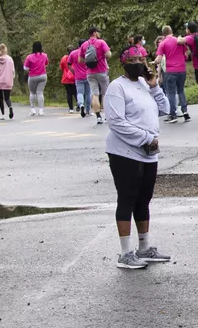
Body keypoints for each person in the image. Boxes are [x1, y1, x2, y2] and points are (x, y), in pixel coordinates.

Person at [104, 50, 172, 269]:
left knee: (144, 199)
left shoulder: (145, 84)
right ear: (123, 64)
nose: (136, 63)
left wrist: (154, 86)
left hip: (149, 153)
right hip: (125, 152)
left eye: (140, 60)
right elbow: (116, 121)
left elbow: (165, 109)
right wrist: (145, 138)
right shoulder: (117, 87)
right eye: (131, 60)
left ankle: (144, 248)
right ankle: (125, 253)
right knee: (127, 198)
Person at [154, 25, 191, 123]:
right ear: (171, 31)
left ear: (163, 34)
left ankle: (173, 115)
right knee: (181, 91)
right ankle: (185, 112)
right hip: (182, 69)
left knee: (171, 93)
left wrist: (154, 62)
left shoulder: (163, 43)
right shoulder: (178, 40)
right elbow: (187, 52)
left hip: (170, 71)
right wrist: (183, 58)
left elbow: (159, 59)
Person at [79, 27, 111, 124]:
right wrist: (101, 57)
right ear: (94, 33)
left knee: (95, 94)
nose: (99, 34)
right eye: (98, 32)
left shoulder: (84, 45)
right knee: (105, 94)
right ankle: (107, 116)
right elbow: (108, 54)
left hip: (90, 73)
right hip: (102, 71)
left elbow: (80, 60)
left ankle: (98, 117)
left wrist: (88, 61)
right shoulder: (101, 42)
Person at [0, 44, 14, 119]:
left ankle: (3, 114)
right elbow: (12, 71)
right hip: (7, 81)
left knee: (1, 98)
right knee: (7, 98)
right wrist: (11, 79)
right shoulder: (9, 59)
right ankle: (10, 107)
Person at [60, 43, 77, 112]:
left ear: (67, 51)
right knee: (76, 92)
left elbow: (61, 67)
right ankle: (79, 105)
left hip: (66, 78)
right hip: (75, 77)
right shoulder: (76, 56)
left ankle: (71, 109)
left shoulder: (64, 58)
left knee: (69, 93)